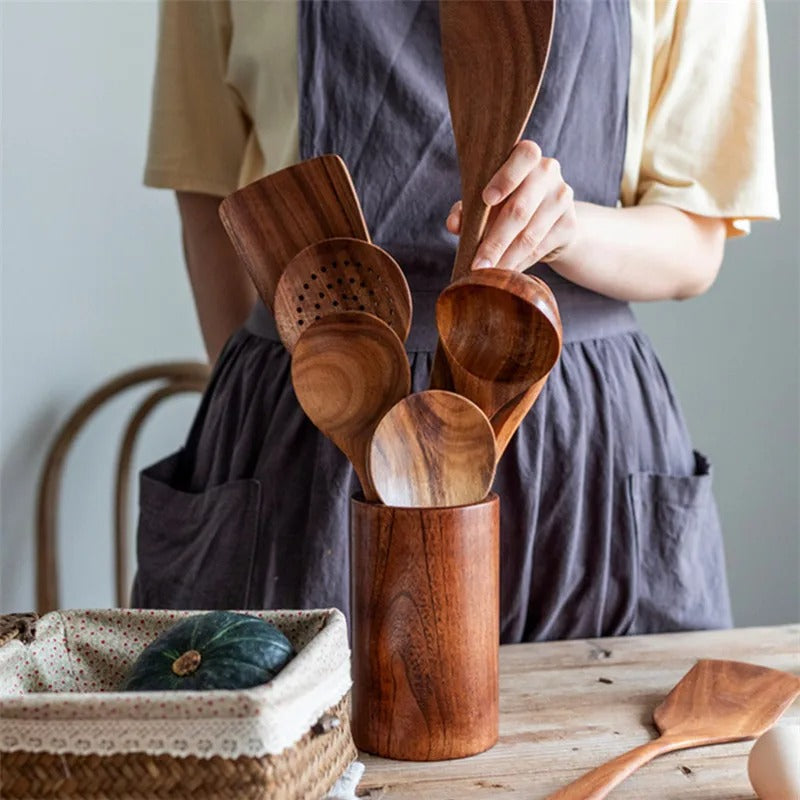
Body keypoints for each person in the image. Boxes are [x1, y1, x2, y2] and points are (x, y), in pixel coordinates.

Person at [132, 0, 779, 642]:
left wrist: (568, 228)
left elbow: (696, 244)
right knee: (274, 731)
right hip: (313, 417)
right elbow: (210, 198)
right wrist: (289, 386)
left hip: (576, 443)